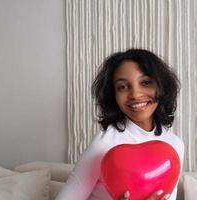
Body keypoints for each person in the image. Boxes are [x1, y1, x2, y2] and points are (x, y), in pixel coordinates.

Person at [56, 49, 185, 200]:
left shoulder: (175, 145)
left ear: (161, 86)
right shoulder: (104, 143)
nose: (135, 94)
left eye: (145, 82)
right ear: (113, 95)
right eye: (123, 86)